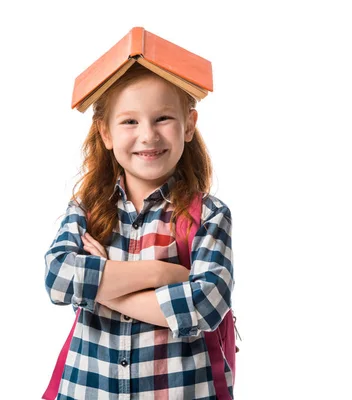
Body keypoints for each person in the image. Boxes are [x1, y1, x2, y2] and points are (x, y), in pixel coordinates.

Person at [44, 62, 235, 399]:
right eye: (130, 121)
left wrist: (101, 288)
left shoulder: (208, 214)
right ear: (106, 133)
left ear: (189, 125)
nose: (148, 135)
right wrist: (164, 273)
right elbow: (58, 278)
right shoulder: (87, 209)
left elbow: (205, 303)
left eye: (163, 118)